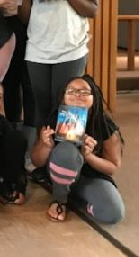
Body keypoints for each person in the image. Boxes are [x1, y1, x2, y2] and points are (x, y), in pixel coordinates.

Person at [30, 75, 125, 224]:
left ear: (94, 99)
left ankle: (73, 195)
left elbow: (112, 167)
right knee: (66, 150)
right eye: (71, 91)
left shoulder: (105, 126)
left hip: (90, 177)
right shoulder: (54, 120)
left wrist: (89, 157)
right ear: (63, 99)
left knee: (112, 213)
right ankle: (60, 199)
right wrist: (45, 145)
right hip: (58, 170)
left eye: (84, 92)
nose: (78, 95)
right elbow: (36, 161)